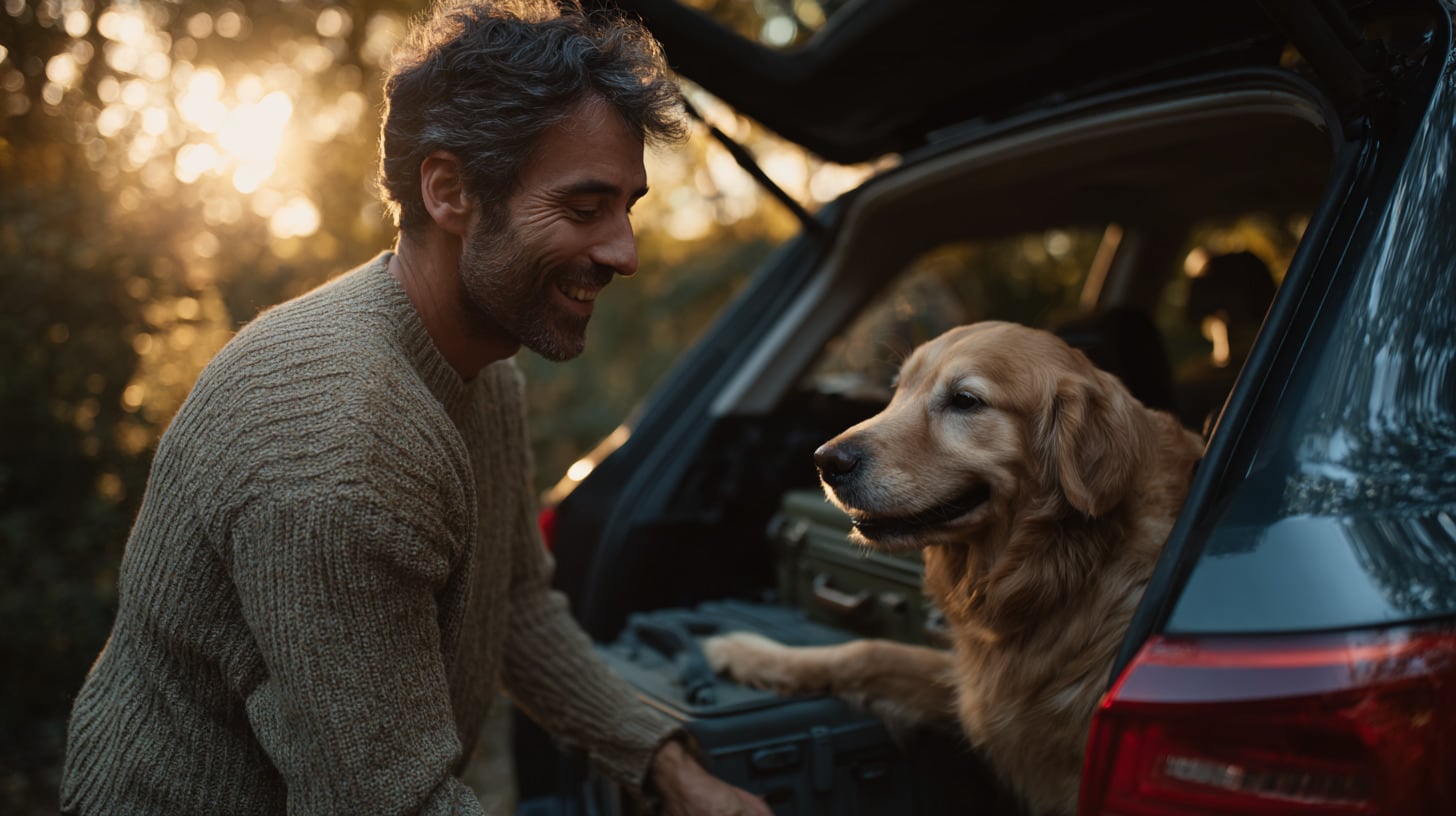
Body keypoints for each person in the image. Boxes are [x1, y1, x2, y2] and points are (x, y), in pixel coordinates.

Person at [59, 2, 772, 814]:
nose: (625, 253)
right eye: (583, 208)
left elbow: (517, 608)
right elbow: (390, 804)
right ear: (449, 191)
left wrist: (668, 768)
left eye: (627, 208)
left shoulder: (482, 368)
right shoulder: (339, 452)